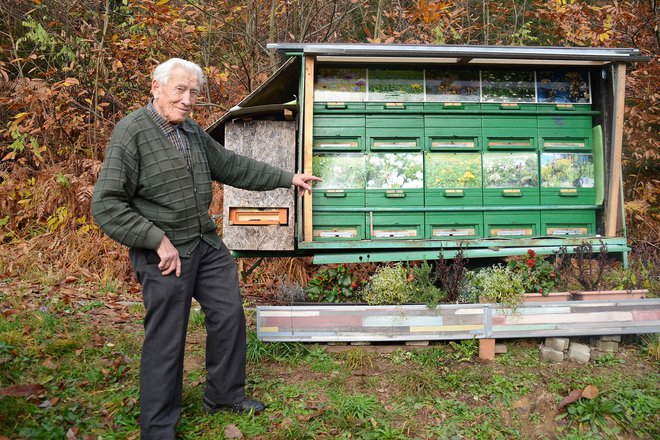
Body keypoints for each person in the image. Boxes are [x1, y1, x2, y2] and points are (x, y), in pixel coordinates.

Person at [91, 58, 320, 439]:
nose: (187, 99)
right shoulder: (131, 133)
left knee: (229, 315)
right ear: (156, 87)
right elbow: (107, 204)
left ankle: (225, 395)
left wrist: (287, 177)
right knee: (167, 336)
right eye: (180, 90)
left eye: (194, 92)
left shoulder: (193, 132)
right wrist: (155, 239)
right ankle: (159, 425)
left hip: (204, 243)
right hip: (164, 253)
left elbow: (232, 166)